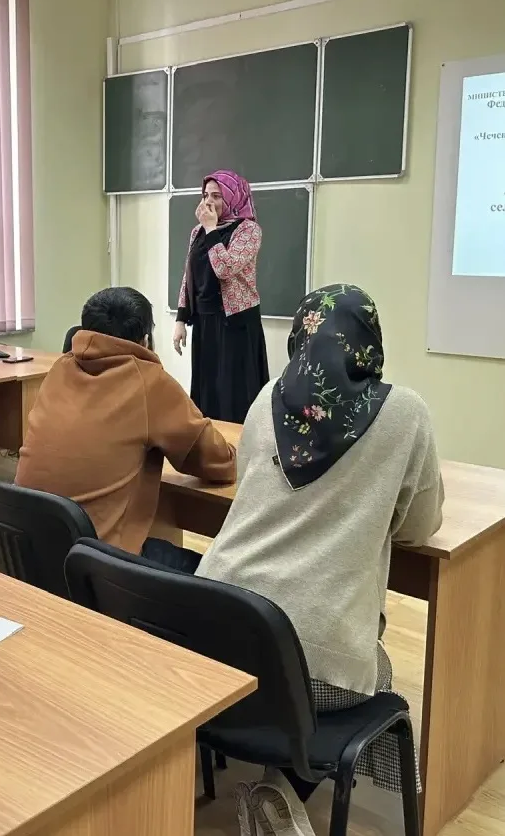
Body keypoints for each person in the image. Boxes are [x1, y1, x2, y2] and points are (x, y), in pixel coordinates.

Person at [195, 285, 443, 836]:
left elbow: (248, 483)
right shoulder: (406, 413)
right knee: (368, 668)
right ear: (370, 341)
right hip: (306, 661)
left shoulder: (267, 397)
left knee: (289, 663)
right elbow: (420, 526)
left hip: (214, 630)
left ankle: (273, 780)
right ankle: (280, 788)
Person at [15, 286, 236, 555]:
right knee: (209, 570)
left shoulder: (59, 369)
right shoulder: (149, 382)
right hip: (95, 564)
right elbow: (218, 463)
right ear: (145, 340)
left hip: (26, 552)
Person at [172, 170, 269, 424]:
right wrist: (181, 319)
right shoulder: (197, 232)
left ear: (232, 197)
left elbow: (225, 269)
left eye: (217, 196)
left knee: (234, 390)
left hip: (236, 322)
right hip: (205, 321)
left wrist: (211, 229)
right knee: (208, 389)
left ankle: (237, 442)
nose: (209, 202)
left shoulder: (249, 230)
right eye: (206, 195)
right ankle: (210, 442)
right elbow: (189, 274)